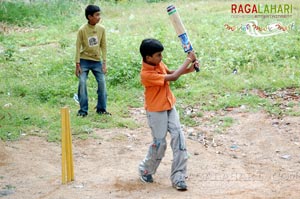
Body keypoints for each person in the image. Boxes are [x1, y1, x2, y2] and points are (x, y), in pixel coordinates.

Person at [138, 38, 199, 191]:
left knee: (179, 138)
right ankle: (146, 169)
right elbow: (173, 77)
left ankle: (178, 177)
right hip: (155, 110)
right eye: (158, 55)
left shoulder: (158, 64)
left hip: (169, 106)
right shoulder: (146, 74)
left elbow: (171, 72)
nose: (161, 57)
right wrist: (188, 59)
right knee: (160, 143)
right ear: (148, 58)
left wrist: (190, 69)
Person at [75, 5, 110, 117]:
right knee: (82, 83)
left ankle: (101, 109)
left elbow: (103, 46)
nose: (99, 17)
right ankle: (83, 110)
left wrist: (104, 63)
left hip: (96, 61)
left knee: (102, 83)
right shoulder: (82, 30)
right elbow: (77, 47)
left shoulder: (101, 29)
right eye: (97, 15)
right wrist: (77, 64)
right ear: (90, 17)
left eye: (99, 14)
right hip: (84, 60)